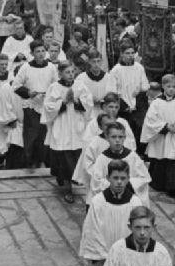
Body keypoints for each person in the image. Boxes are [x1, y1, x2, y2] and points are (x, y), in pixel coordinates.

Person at [78, 159, 144, 266]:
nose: (119, 182)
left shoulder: (135, 203)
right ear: (108, 178)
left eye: (123, 178)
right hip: (102, 261)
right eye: (115, 178)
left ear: (128, 178)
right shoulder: (98, 202)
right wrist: (104, 257)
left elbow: (140, 230)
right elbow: (91, 231)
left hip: (126, 260)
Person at [44, 60, 93, 202]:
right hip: (62, 125)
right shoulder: (54, 87)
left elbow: (88, 103)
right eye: (67, 72)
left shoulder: (80, 86)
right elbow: (48, 107)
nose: (71, 75)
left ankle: (73, 180)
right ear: (60, 73)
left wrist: (77, 102)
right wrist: (63, 102)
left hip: (76, 125)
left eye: (72, 72)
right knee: (63, 156)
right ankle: (67, 188)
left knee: (76, 154)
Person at [142, 74, 175, 197]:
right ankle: (159, 184)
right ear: (163, 86)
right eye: (168, 86)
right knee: (160, 158)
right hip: (161, 136)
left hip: (174, 136)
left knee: (174, 159)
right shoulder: (156, 103)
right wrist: (165, 126)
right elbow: (150, 121)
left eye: (174, 86)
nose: (171, 89)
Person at [14, 39, 58, 167]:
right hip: (31, 106)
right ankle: (31, 162)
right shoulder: (26, 67)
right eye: (37, 51)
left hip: (46, 106)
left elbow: (56, 85)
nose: (41, 54)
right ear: (32, 53)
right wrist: (28, 93)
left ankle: (43, 161)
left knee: (44, 135)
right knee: (31, 135)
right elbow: (16, 86)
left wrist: (50, 95)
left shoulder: (51, 67)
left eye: (43, 51)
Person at [89, 121, 151, 206]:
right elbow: (96, 182)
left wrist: (128, 183)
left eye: (120, 137)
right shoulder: (102, 158)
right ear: (107, 137)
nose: (117, 140)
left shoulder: (132, 157)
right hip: (108, 201)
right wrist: (113, 184)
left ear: (125, 137)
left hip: (129, 199)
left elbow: (144, 178)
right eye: (113, 137)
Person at [108, 44, 149, 146]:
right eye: (127, 53)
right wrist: (124, 106)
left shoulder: (139, 67)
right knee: (125, 131)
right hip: (123, 108)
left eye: (132, 53)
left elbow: (145, 85)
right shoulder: (116, 70)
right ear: (121, 54)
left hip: (138, 106)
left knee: (139, 130)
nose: (130, 56)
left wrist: (139, 91)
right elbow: (112, 91)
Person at [75, 48, 119, 116]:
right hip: (87, 114)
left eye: (98, 61)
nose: (96, 64)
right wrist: (89, 99)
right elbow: (77, 97)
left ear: (101, 61)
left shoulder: (109, 78)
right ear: (89, 62)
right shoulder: (81, 78)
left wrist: (103, 100)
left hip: (104, 113)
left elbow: (113, 95)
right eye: (94, 61)